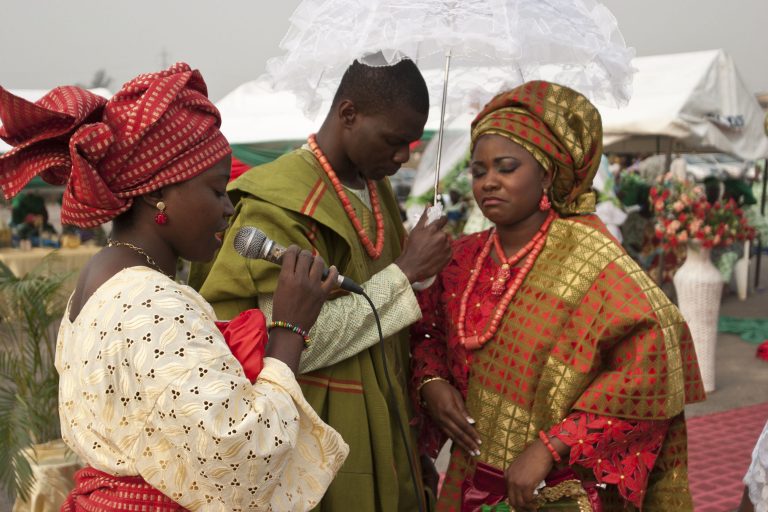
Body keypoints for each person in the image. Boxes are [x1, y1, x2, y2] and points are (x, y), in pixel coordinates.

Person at [0, 63, 348, 511]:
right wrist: (289, 329)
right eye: (217, 190)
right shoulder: (151, 301)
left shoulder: (104, 279)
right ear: (154, 192)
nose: (228, 209)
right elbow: (239, 458)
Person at [410, 81, 705, 511]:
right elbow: (426, 332)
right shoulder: (461, 257)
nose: (489, 182)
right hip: (468, 480)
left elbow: (654, 361)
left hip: (557, 491)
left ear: (546, 173)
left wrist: (551, 446)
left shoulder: (589, 256)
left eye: (506, 167)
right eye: (478, 171)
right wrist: (432, 383)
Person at [193, 57, 452, 511]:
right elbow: (289, 345)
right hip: (314, 431)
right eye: (393, 141)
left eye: (409, 144)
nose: (403, 157)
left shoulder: (377, 189)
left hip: (388, 424)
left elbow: (389, 326)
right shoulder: (277, 202)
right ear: (348, 114)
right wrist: (405, 271)